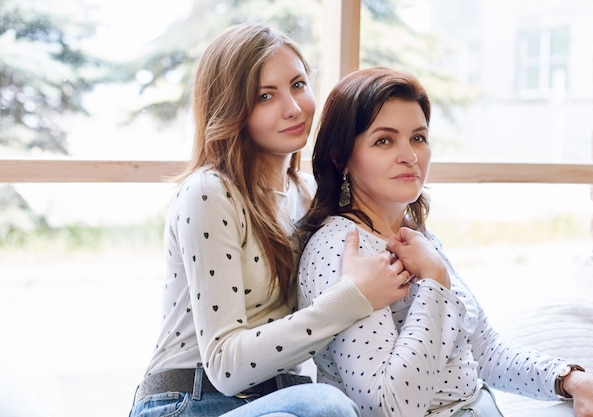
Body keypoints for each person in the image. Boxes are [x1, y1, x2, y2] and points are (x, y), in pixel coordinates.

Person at [297, 66, 593, 417]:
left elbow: (483, 350)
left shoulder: (417, 237)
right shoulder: (340, 249)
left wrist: (570, 379)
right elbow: (390, 407)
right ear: (341, 158)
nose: (410, 155)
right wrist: (436, 282)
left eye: (419, 138)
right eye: (384, 140)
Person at [128, 24, 412, 417]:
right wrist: (353, 297)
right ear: (231, 109)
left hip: (280, 399)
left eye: (298, 84)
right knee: (329, 407)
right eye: (265, 96)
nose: (293, 107)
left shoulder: (309, 195)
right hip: (192, 401)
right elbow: (225, 366)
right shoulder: (209, 193)